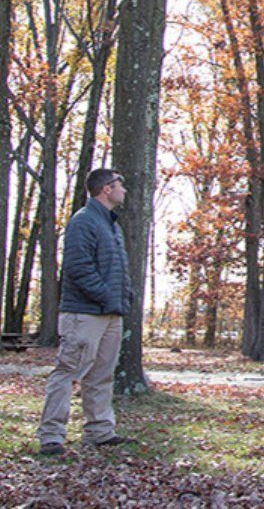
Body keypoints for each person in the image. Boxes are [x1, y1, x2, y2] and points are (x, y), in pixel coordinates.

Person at [37, 168, 134, 455]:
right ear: (106, 188)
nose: (124, 190)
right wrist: (105, 297)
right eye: (120, 185)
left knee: (102, 375)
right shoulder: (83, 221)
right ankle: (51, 436)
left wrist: (123, 298)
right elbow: (78, 268)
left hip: (111, 313)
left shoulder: (111, 225)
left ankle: (100, 431)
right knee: (68, 371)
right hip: (84, 313)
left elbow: (119, 269)